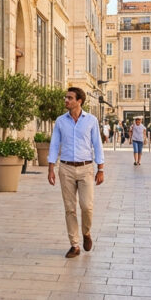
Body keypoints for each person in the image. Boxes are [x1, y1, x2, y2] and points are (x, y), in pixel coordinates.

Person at [47, 87, 105, 259]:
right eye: (66, 97)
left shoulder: (91, 120)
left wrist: (100, 169)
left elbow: (97, 145)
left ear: (79, 101)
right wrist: (51, 168)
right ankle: (75, 244)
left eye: (70, 98)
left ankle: (86, 233)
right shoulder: (60, 121)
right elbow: (54, 144)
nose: (66, 100)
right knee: (70, 209)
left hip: (86, 168)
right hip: (65, 168)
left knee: (87, 206)